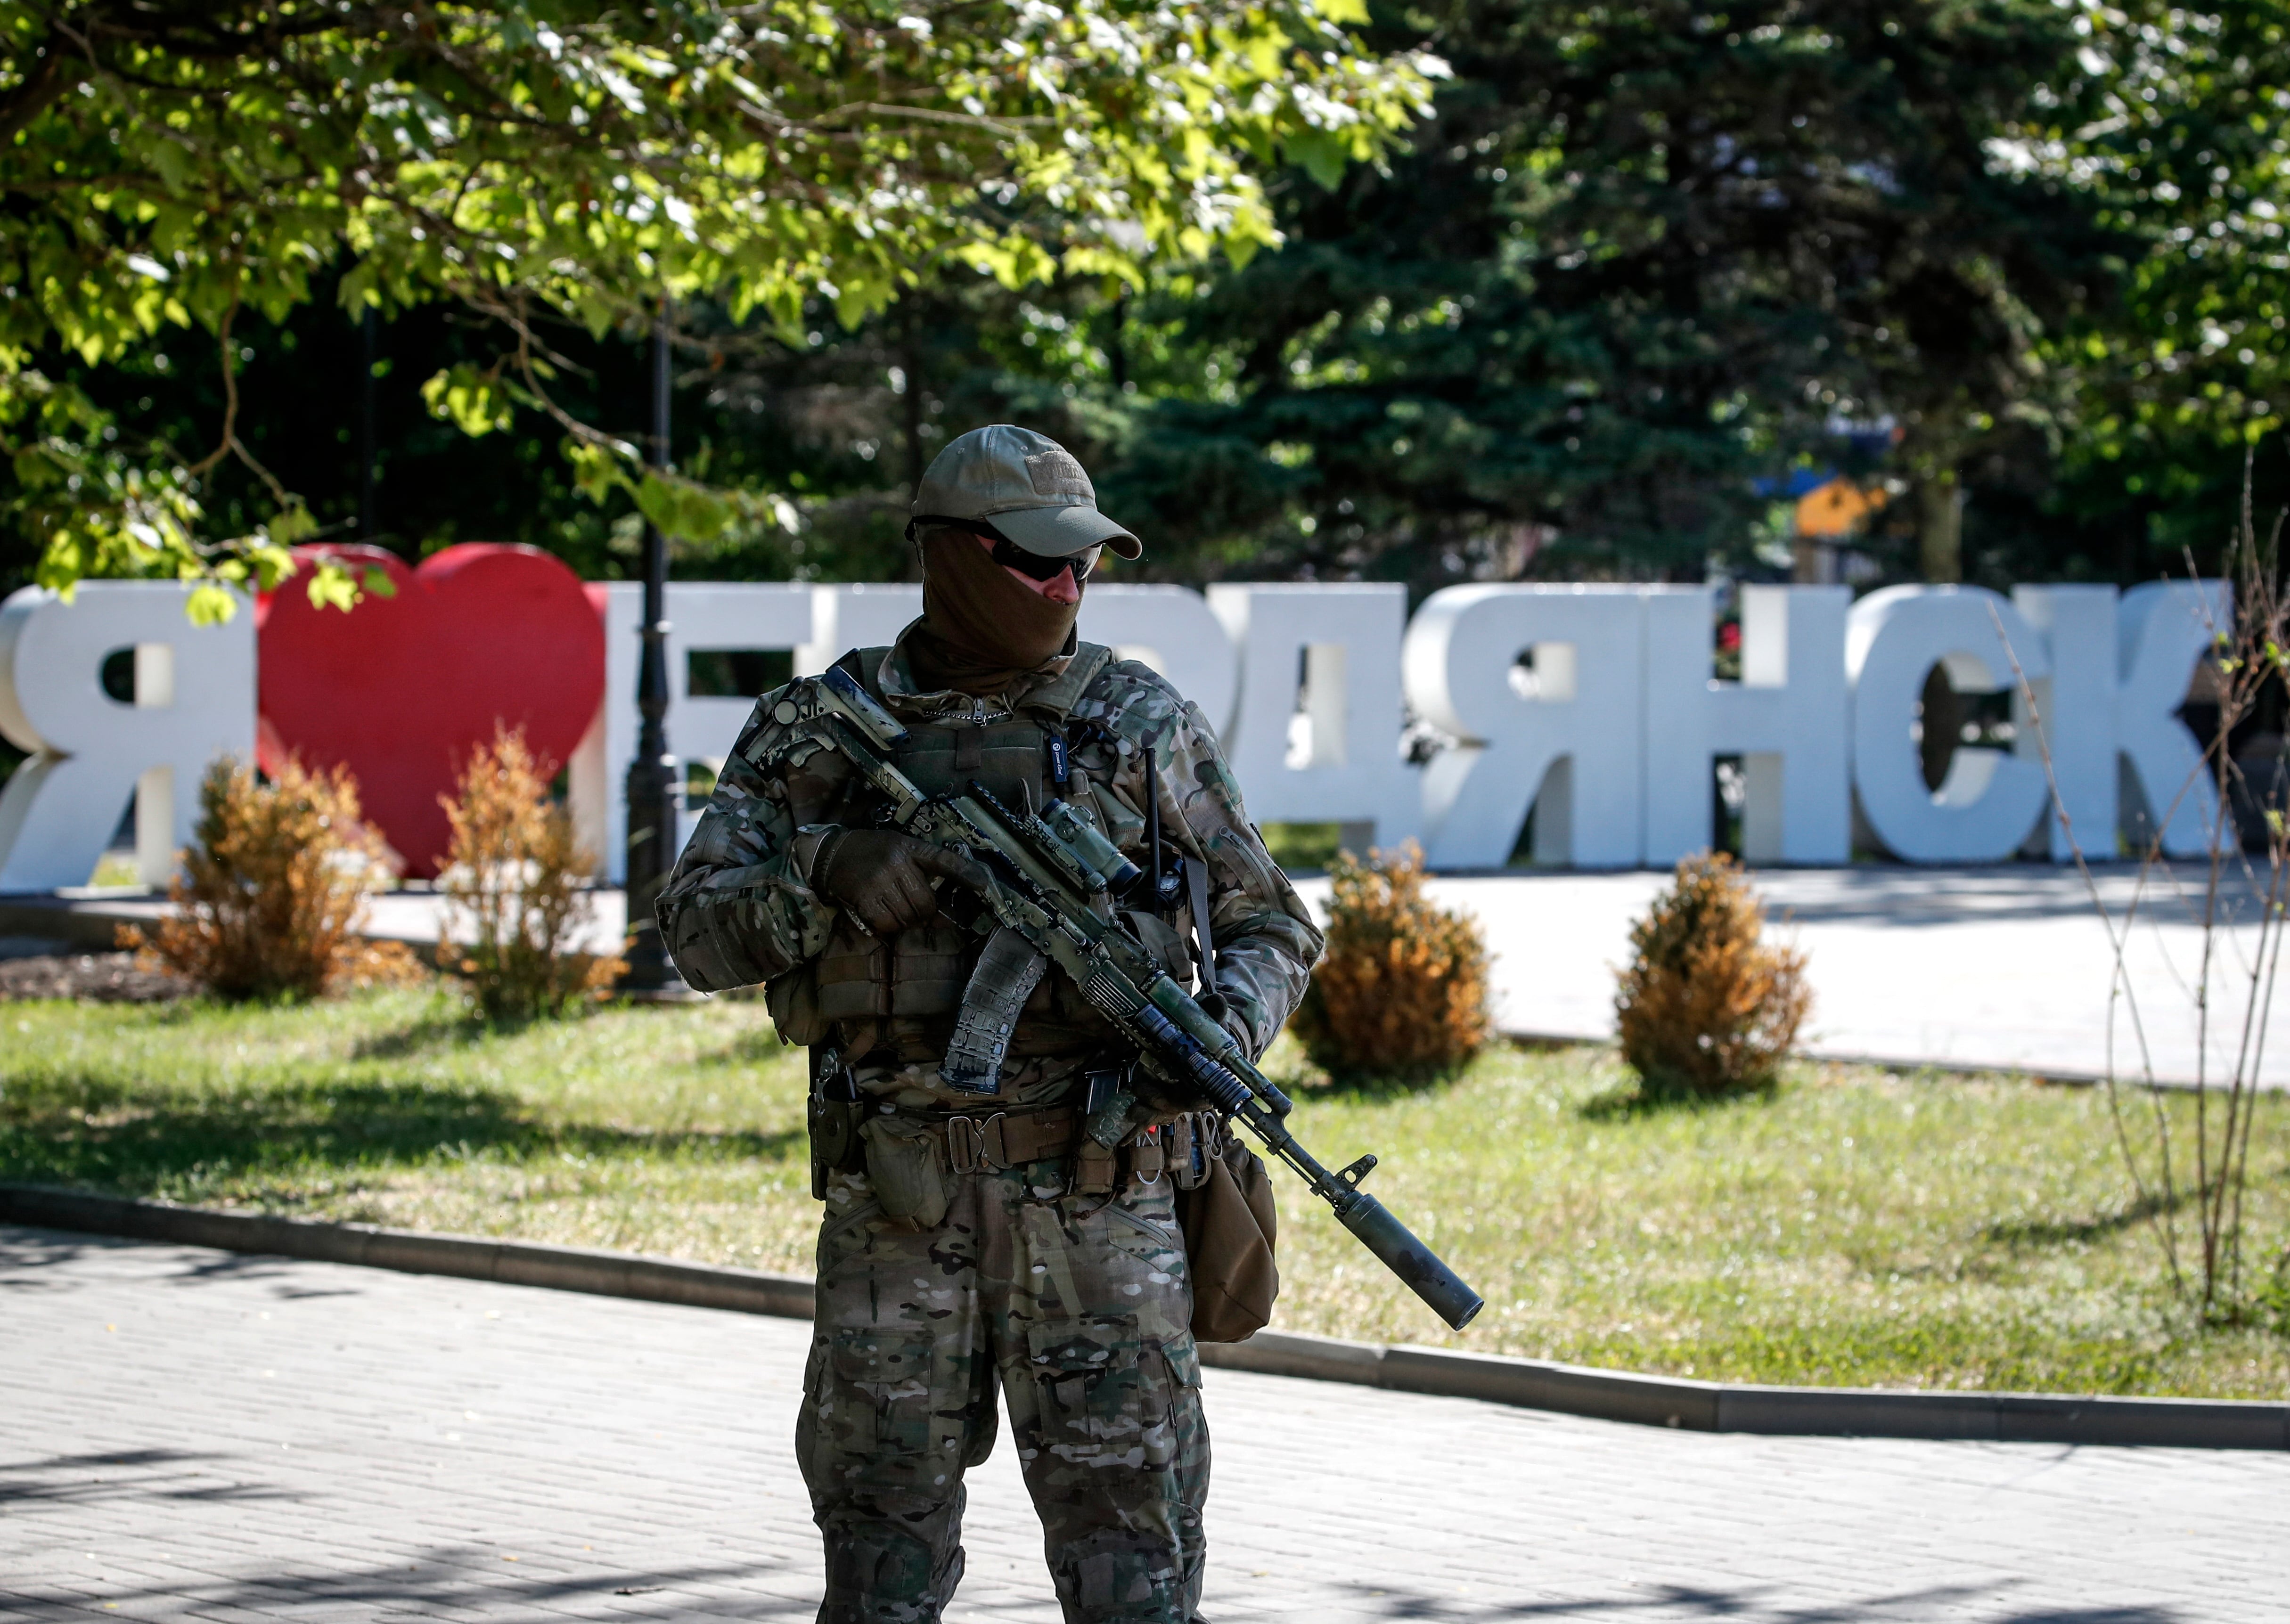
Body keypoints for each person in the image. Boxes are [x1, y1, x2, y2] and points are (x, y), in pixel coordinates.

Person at [655, 424, 1323, 1624]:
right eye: (1039, 563)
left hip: (1106, 1210)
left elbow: (1276, 923)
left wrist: (1224, 1025)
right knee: (877, 1559)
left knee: (1138, 1562)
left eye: (1086, 567)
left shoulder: (1135, 720)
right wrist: (825, 872)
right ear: (950, 554)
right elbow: (694, 934)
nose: (1068, 587)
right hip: (898, 1214)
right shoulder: (817, 731)